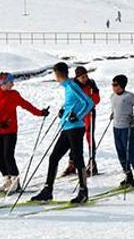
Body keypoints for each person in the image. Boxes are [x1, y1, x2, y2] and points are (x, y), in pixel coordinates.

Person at [31, 63, 95, 204]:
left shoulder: (71, 86)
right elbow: (72, 104)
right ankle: (48, 190)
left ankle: (84, 192)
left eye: (55, 74)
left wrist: (78, 115)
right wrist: (63, 110)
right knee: (54, 158)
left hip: (75, 128)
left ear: (58, 74)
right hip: (67, 128)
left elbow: (89, 103)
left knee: (78, 159)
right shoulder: (67, 87)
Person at [0, 72, 49, 194]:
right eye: (11, 82)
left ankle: (15, 182)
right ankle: (7, 180)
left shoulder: (14, 94)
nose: (13, 84)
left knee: (8, 155)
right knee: (0, 158)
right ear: (3, 83)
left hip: (10, 130)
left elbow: (26, 105)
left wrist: (40, 112)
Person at [61, 66, 101, 177]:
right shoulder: (73, 85)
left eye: (86, 76)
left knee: (89, 136)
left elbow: (96, 101)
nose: (85, 78)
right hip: (76, 115)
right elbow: (69, 100)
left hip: (89, 114)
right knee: (73, 138)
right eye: (82, 77)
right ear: (77, 77)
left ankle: (92, 163)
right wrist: (63, 109)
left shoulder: (91, 84)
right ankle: (72, 163)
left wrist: (96, 91)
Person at [109, 74, 134, 186]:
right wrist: (113, 114)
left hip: (127, 128)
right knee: (120, 151)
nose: (113, 87)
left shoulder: (129, 96)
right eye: (112, 84)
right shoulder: (112, 96)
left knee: (131, 152)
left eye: (116, 85)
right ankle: (128, 174)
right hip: (116, 128)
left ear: (122, 85)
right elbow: (115, 108)